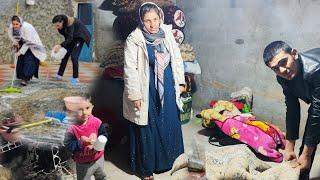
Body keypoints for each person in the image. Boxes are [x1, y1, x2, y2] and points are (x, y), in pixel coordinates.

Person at [123, 2, 186, 179]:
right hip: (147, 88)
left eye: (155, 19)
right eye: (148, 21)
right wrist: (134, 94)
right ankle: (146, 169)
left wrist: (180, 82)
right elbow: (130, 69)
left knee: (169, 122)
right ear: (141, 21)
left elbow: (177, 58)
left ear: (160, 17)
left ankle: (173, 161)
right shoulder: (134, 39)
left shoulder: (166, 33)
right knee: (148, 126)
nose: (152, 25)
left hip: (167, 85)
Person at [263, 41, 320, 179]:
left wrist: (306, 154)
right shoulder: (283, 77)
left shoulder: (315, 69)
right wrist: (289, 147)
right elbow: (292, 108)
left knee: (307, 151)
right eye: (275, 68)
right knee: (305, 151)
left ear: (294, 54)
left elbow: (317, 112)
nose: (281, 70)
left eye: (283, 62)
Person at [63, 96, 107, 180]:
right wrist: (80, 142)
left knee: (101, 176)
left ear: (92, 107)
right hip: (83, 163)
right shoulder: (71, 128)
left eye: (87, 108)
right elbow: (68, 144)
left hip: (98, 158)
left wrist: (100, 141)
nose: (84, 112)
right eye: (80, 109)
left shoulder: (97, 122)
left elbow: (104, 134)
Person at [52, 14, 91, 86]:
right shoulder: (61, 27)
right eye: (55, 26)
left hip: (80, 36)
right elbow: (68, 38)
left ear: (62, 22)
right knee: (65, 54)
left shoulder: (70, 22)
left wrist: (60, 45)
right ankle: (59, 75)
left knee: (74, 57)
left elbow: (69, 38)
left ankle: (75, 78)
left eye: (58, 25)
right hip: (72, 37)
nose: (57, 27)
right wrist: (63, 46)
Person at [8, 15, 47, 86]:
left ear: (20, 23)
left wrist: (20, 52)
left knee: (29, 60)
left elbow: (28, 42)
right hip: (22, 41)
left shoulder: (27, 27)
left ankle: (25, 79)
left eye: (17, 24)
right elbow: (11, 35)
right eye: (13, 24)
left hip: (31, 43)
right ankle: (21, 76)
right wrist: (15, 42)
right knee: (20, 60)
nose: (15, 26)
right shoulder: (12, 27)